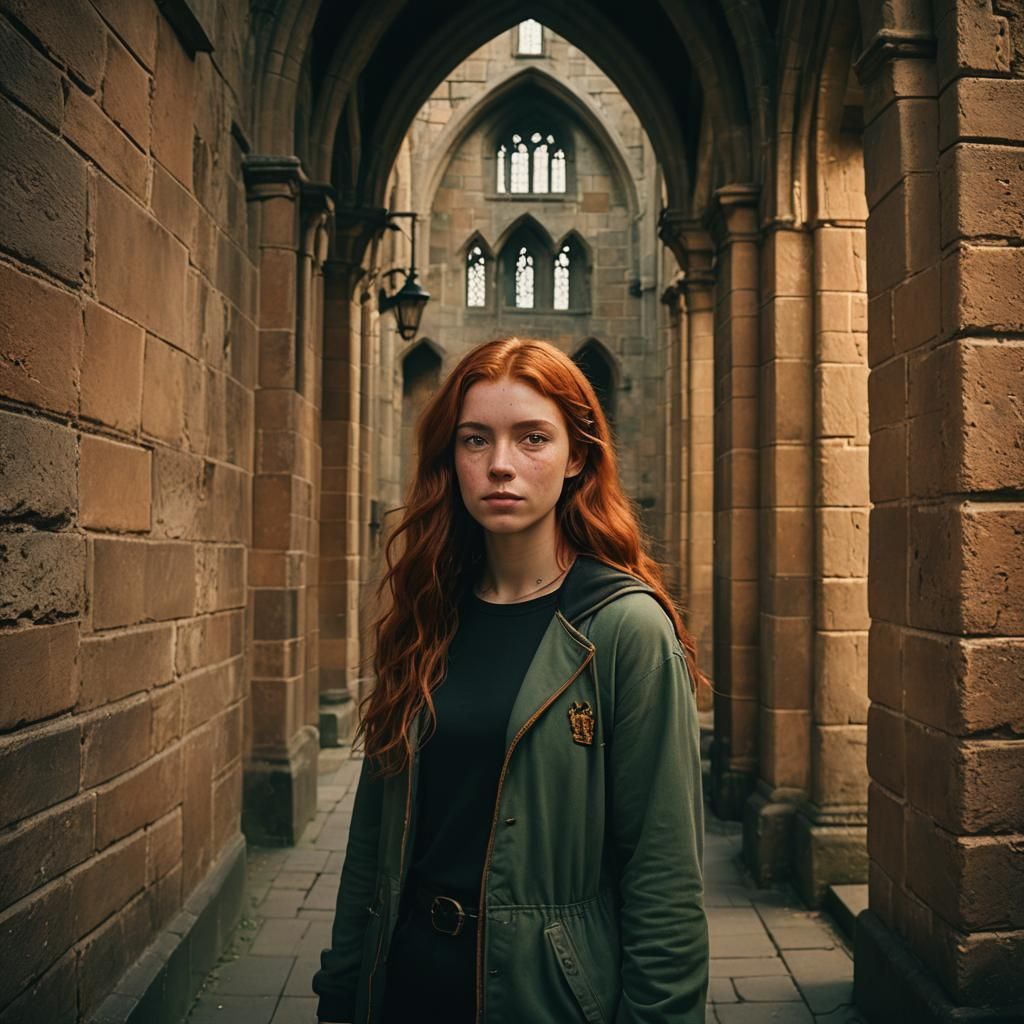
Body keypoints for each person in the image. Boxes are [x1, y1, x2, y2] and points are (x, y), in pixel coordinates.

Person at [312, 337, 708, 1023]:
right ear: (451, 458)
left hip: (540, 998)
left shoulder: (625, 629)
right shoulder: (425, 615)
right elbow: (371, 845)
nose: (500, 464)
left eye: (532, 438)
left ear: (576, 456)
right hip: (406, 987)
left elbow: (665, 877)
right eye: (476, 440)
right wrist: (343, 994)